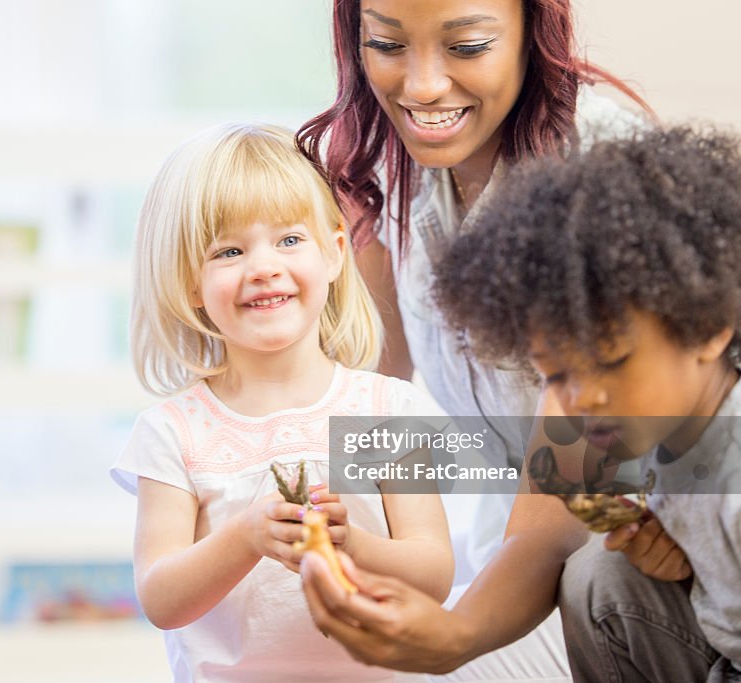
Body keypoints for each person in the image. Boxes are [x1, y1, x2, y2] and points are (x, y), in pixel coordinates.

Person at [296, 0, 657, 679]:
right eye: (386, 43)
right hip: (510, 560)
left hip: (624, 575)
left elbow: (568, 494)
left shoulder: (599, 161)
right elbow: (361, 397)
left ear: (532, 35)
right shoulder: (394, 164)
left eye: (466, 46)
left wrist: (455, 632)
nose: (422, 85)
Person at [304, 126, 741, 681]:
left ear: (708, 328)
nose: (583, 399)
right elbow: (556, 516)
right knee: (601, 577)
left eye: (610, 362)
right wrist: (688, 563)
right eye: (557, 376)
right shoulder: (651, 429)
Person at [110, 122, 454, 682]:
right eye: (229, 250)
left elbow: (434, 572)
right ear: (190, 283)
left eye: (289, 240)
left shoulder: (385, 408)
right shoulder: (173, 431)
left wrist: (356, 544)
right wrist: (245, 537)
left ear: (335, 253)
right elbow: (161, 598)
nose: (264, 266)